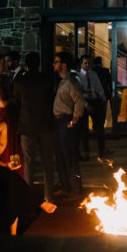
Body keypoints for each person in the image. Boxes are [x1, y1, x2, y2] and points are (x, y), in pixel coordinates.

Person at [0, 96, 56, 234]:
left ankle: (13, 232)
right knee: (10, 179)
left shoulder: (1, 125)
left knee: (11, 188)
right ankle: (38, 204)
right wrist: (4, 165)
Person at [12, 51, 59, 204]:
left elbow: (17, 103)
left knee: (29, 162)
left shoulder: (20, 81)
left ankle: (28, 196)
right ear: (38, 64)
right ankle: (49, 196)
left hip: (26, 125)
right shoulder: (46, 79)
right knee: (47, 162)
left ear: (26, 65)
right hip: (45, 124)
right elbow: (51, 99)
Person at [52, 52, 85, 200]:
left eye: (56, 62)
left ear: (63, 65)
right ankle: (66, 186)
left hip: (66, 120)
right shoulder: (62, 80)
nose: (54, 64)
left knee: (68, 156)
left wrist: (74, 121)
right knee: (60, 155)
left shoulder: (71, 81)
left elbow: (79, 101)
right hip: (59, 121)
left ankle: (75, 189)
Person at [75, 54, 107, 159]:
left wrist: (102, 99)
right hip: (84, 102)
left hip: (94, 100)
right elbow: (78, 93)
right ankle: (86, 151)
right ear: (81, 64)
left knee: (99, 127)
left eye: (89, 63)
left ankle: (102, 150)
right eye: (85, 63)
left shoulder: (93, 74)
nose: (88, 65)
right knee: (84, 129)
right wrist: (86, 104)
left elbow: (98, 88)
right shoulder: (78, 76)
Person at [91, 56, 116, 130]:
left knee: (94, 111)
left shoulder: (91, 71)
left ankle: (95, 125)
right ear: (101, 62)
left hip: (94, 94)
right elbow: (109, 82)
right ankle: (101, 125)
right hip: (103, 94)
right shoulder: (105, 70)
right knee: (102, 110)